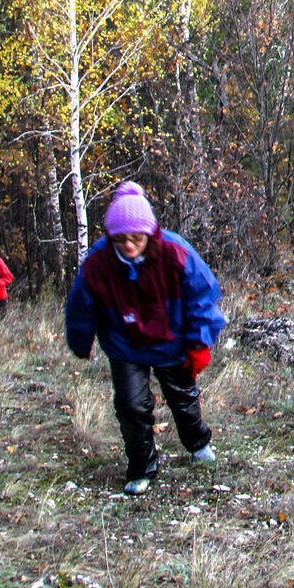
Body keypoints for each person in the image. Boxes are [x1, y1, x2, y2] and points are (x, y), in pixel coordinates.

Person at [64, 181, 226, 496]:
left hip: (171, 341)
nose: (128, 245)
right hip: (126, 345)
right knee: (130, 406)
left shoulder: (174, 250)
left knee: (183, 398)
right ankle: (141, 468)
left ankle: (198, 444)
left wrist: (199, 343)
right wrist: (80, 341)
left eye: (136, 238)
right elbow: (80, 307)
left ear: (149, 233)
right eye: (120, 239)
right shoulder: (98, 263)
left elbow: (203, 297)